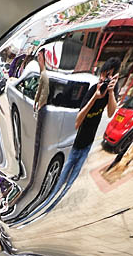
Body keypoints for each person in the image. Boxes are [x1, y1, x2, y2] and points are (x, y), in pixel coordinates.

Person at [41, 57, 121, 210]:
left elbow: (111, 113)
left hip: (88, 145)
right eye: (104, 74)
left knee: (71, 180)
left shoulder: (111, 92)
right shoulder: (93, 90)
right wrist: (95, 97)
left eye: (109, 76)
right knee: (62, 178)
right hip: (76, 145)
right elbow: (78, 121)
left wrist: (111, 92)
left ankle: (57, 202)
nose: (104, 79)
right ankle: (49, 204)